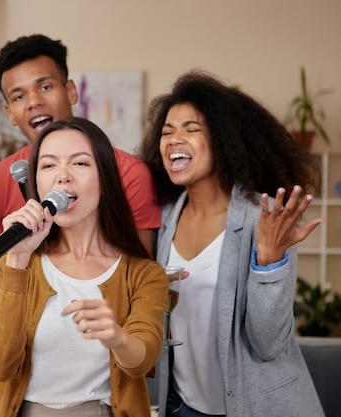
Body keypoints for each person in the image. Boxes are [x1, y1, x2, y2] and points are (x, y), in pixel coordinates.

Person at [139, 70, 325, 417]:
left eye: (191, 129)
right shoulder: (162, 221)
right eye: (167, 132)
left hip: (257, 407)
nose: (174, 139)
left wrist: (269, 261)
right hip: (183, 408)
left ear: (222, 140)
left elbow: (268, 344)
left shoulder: (262, 218)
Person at [0, 117, 168, 417]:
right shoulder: (14, 264)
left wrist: (118, 338)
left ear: (105, 178)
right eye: (48, 165)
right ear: (36, 182)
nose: (62, 177)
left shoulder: (144, 275)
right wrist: (17, 259)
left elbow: (142, 361)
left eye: (80, 164)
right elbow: (0, 366)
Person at [0, 34, 161, 300]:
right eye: (19, 96)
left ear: (71, 91)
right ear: (9, 114)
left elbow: (142, 281)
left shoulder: (131, 174)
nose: (33, 102)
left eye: (45, 87)